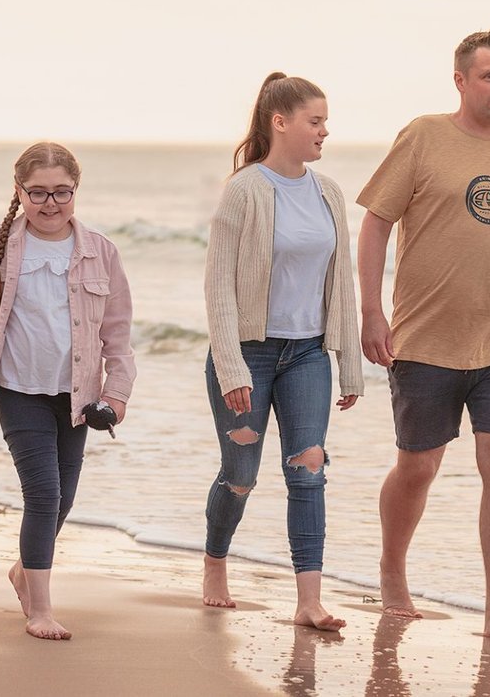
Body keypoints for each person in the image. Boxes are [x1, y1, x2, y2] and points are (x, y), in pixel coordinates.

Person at [355, 27, 490, 649]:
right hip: (425, 340)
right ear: (461, 81)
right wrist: (371, 311)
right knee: (418, 466)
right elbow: (376, 223)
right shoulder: (422, 136)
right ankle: (392, 571)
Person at [201, 73, 364, 631]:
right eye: (315, 121)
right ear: (281, 123)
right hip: (249, 355)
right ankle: (215, 563)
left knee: (308, 470)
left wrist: (349, 366)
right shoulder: (245, 189)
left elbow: (341, 282)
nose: (324, 131)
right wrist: (230, 367)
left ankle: (308, 602)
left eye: (324, 121)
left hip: (308, 355)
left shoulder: (329, 192)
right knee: (240, 475)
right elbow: (218, 285)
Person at [0, 141, 135, 640]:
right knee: (42, 494)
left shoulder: (100, 251)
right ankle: (40, 609)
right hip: (17, 387)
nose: (50, 203)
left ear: (76, 190)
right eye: (38, 192)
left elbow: (118, 331)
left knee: (65, 498)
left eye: (62, 192)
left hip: (77, 395)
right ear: (19, 191)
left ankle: (24, 571)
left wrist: (117, 394)